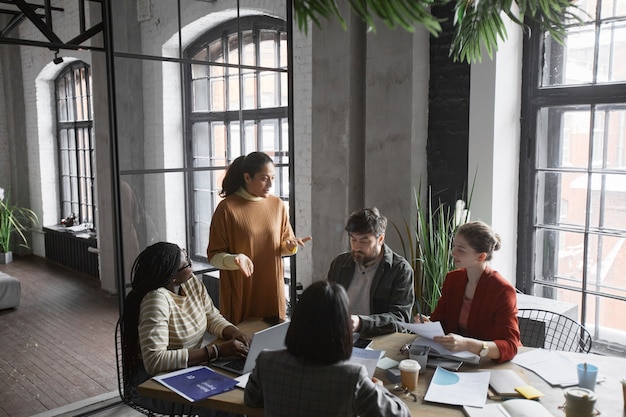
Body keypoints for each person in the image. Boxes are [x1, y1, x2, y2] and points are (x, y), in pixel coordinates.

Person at [244, 280, 410, 417]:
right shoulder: (353, 378)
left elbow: (251, 400)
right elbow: (401, 415)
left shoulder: (266, 361)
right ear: (343, 329)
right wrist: (379, 389)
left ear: (297, 322)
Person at [122, 242, 251, 416]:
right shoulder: (156, 300)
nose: (193, 265)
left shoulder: (191, 284)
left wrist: (234, 332)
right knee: (227, 405)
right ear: (172, 277)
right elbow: (155, 361)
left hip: (188, 370)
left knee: (244, 386)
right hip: (153, 383)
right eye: (188, 264)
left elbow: (211, 316)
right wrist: (215, 352)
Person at [207, 152, 311, 324]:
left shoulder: (277, 205)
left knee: (272, 340)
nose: (270, 184)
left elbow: (283, 246)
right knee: (242, 345)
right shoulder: (227, 209)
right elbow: (213, 256)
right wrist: (235, 259)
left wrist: (290, 245)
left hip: (271, 287)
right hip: (241, 289)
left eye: (273, 178)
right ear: (247, 177)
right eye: (264, 178)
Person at [417, 221, 520, 362]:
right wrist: (427, 325)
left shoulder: (502, 290)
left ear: (481, 257)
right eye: (454, 246)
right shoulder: (453, 279)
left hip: (490, 364)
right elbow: (440, 321)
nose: (453, 253)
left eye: (461, 249)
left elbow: (510, 346)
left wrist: (467, 344)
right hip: (457, 360)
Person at [327, 207, 414, 335]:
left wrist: (361, 323)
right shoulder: (339, 264)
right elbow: (327, 303)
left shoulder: (400, 270)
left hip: (379, 339)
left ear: (380, 239)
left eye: (364, 241)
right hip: (340, 336)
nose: (357, 247)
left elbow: (400, 319)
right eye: (353, 240)